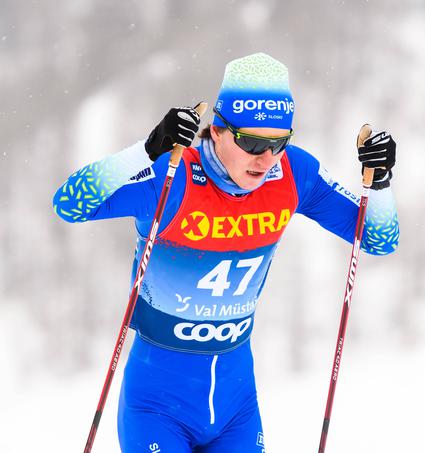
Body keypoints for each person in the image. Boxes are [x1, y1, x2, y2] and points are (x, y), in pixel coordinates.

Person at [53, 52, 399, 452]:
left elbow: (378, 238)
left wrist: (382, 184)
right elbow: (69, 205)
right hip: (157, 406)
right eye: (251, 141)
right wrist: (145, 151)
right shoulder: (174, 176)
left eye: (278, 143)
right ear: (216, 131)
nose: (265, 159)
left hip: (237, 408)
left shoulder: (292, 174)